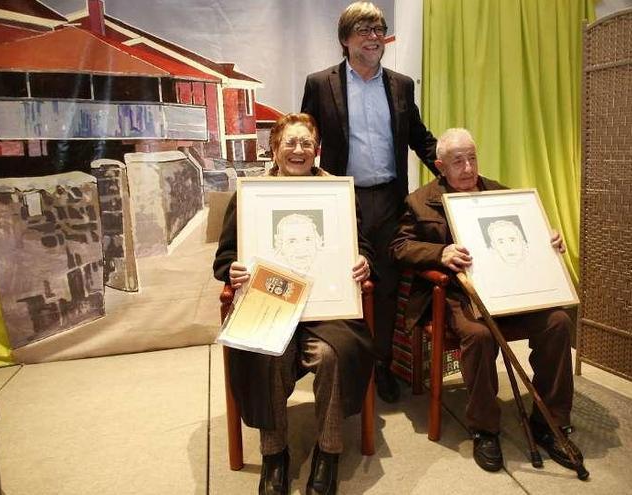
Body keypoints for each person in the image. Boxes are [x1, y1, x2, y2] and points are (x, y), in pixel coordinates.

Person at [389, 128, 583, 473]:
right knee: (477, 335)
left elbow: (530, 237)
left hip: (510, 293)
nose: (467, 168)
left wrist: (548, 238)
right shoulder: (420, 201)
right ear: (440, 165)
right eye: (457, 161)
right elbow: (400, 247)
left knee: (558, 322)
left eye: (472, 158)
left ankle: (550, 420)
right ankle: (485, 428)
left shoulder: (501, 194)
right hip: (456, 295)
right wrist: (440, 252)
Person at [213, 113, 375, 495]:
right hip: (271, 307)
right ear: (275, 149)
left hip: (329, 310)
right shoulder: (251, 196)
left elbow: (361, 245)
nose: (298, 150)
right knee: (263, 353)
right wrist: (232, 271)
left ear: (316, 150)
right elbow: (224, 258)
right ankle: (275, 455)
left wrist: (364, 260)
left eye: (306, 143)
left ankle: (328, 451)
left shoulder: (338, 193)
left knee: (335, 354)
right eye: (290, 143)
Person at [301, 1, 438, 403]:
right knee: (346, 282)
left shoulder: (401, 84)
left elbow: (419, 137)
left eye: (379, 30)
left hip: (391, 200)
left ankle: (380, 363)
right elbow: (306, 139)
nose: (374, 37)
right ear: (345, 40)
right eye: (363, 30)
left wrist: (452, 167)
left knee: (388, 285)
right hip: (340, 201)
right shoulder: (319, 83)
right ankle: (346, 361)